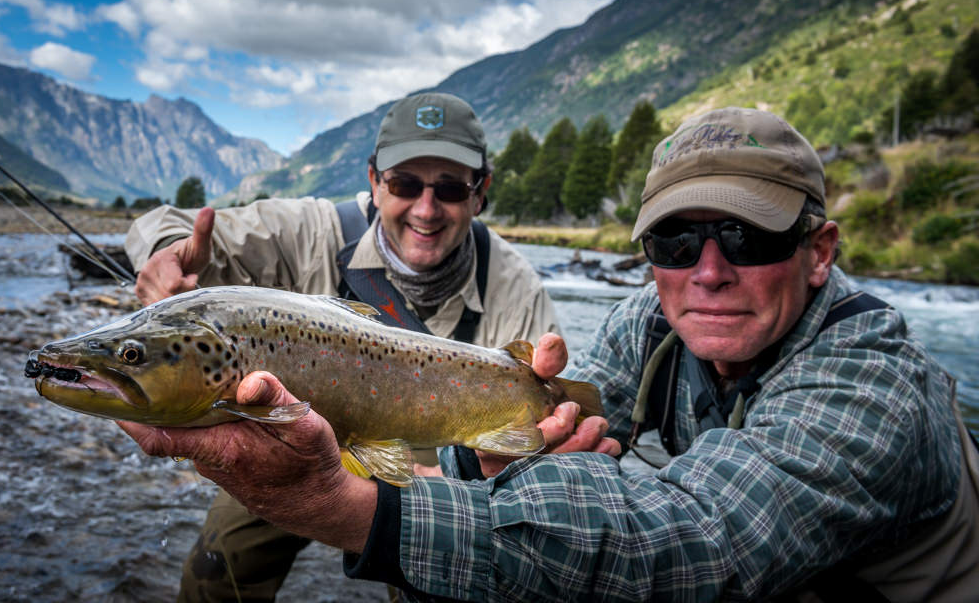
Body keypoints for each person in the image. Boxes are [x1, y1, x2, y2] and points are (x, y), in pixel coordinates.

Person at [121, 106, 979, 601]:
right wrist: (491, 468)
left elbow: (695, 544)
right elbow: (562, 445)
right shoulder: (651, 319)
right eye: (677, 243)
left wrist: (348, 507)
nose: (707, 273)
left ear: (819, 250)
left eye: (745, 238)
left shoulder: (873, 385)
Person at [124, 92, 614, 601]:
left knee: (444, 579)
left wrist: (535, 450)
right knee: (218, 570)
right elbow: (166, 225)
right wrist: (165, 259)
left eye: (449, 187)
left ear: (480, 192)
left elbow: (527, 447)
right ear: (375, 181)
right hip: (281, 440)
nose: (427, 209)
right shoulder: (312, 230)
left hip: (438, 458)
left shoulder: (515, 287)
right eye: (404, 183)